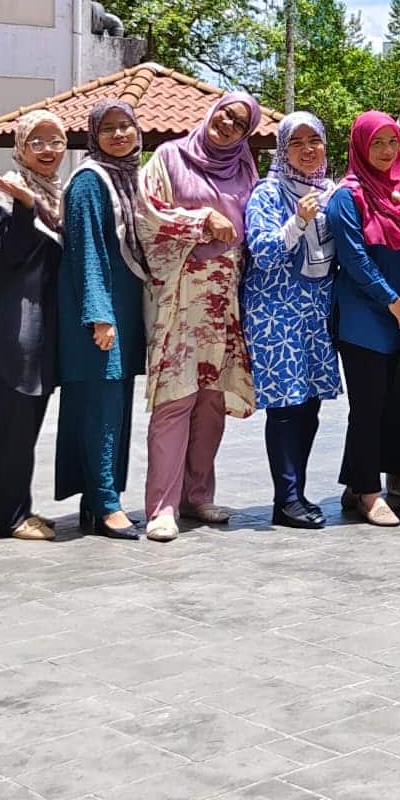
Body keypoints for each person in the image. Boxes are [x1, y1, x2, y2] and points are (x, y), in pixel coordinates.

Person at [138, 91, 261, 539]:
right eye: (225, 114)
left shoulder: (246, 168)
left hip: (225, 301)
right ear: (211, 111)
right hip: (180, 295)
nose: (228, 124)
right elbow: (146, 214)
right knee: (175, 400)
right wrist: (201, 221)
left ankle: (196, 496)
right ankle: (162, 507)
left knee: (210, 402)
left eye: (239, 123)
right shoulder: (170, 157)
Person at [57, 99, 153, 541]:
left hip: (125, 308)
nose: (119, 135)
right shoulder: (89, 181)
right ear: (93, 136)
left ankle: (99, 498)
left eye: (126, 126)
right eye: (108, 128)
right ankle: (107, 502)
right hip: (100, 313)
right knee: (100, 406)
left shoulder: (130, 177)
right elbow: (87, 252)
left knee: (113, 405)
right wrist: (99, 315)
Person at [244, 111, 344, 529]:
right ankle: (285, 498)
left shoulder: (331, 191)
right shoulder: (267, 194)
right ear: (283, 150)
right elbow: (263, 254)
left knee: (311, 405)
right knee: (285, 406)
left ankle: (297, 493)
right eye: (297, 143)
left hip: (316, 313)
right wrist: (298, 220)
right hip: (275, 314)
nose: (307, 150)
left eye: (314, 141)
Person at [330, 112, 400, 526]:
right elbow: (354, 259)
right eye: (377, 144)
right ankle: (371, 493)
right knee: (367, 408)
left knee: (392, 404)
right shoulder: (346, 196)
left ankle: (356, 480)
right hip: (364, 318)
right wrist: (392, 300)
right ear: (360, 147)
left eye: (392, 142)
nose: (386, 151)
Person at [0, 110, 66, 543]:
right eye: (38, 142)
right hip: (15, 325)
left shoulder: (60, 196)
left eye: (56, 141)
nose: (48, 150)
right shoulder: (1, 195)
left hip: (45, 325)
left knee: (28, 423)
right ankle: (9, 515)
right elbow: (8, 258)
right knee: (12, 423)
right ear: (21, 147)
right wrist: (26, 205)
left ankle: (18, 506)